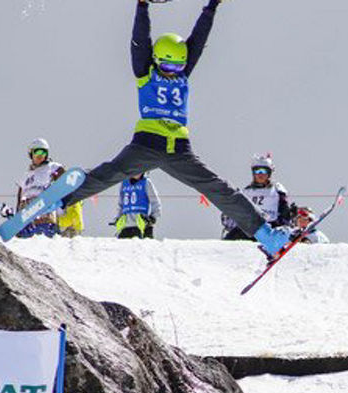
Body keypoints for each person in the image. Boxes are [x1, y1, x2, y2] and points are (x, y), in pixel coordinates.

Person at [60, 0, 293, 257]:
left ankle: (266, 236)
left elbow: (199, 38)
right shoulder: (145, 72)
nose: (173, 72)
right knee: (110, 173)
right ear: (157, 60)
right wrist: (142, 7)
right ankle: (62, 199)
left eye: (178, 67)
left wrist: (211, 7)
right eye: (168, 66)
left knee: (219, 189)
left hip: (180, 149)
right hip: (147, 143)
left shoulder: (183, 73)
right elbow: (140, 40)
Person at [222, 153, 294, 240]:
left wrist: (286, 221)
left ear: (269, 173)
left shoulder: (277, 190)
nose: (260, 174)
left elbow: (285, 210)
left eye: (264, 171)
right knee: (232, 237)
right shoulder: (247, 191)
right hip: (250, 227)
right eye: (257, 171)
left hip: (270, 226)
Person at [16, 138, 64, 238]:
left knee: (43, 242)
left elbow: (63, 175)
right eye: (37, 151)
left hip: (44, 213)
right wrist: (16, 220)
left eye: (43, 152)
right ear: (31, 154)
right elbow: (19, 197)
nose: (40, 155)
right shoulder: (25, 176)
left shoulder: (51, 167)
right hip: (27, 214)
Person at [112, 172, 160, 239]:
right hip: (126, 225)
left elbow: (155, 202)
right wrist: (117, 217)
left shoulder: (146, 182)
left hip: (142, 225)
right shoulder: (124, 183)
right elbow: (120, 204)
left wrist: (153, 217)